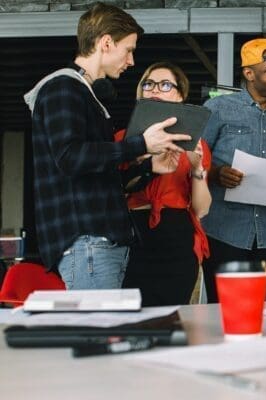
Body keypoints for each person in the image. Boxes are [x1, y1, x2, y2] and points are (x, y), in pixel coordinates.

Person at [23, 3, 190, 289]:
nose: (131, 60)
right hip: (88, 241)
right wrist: (141, 144)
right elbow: (69, 157)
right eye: (128, 49)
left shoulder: (86, 95)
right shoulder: (63, 87)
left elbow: (96, 177)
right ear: (106, 43)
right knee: (98, 332)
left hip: (97, 242)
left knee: (106, 331)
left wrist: (150, 166)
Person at [201, 38, 266, 303]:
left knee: (265, 314)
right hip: (223, 232)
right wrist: (215, 173)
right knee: (221, 313)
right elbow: (193, 161)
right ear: (249, 74)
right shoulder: (217, 109)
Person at [115, 62, 212, 306]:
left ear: (180, 95)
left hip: (177, 242)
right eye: (148, 84)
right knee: (130, 320)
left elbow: (201, 209)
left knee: (173, 320)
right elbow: (109, 194)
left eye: (165, 85)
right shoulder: (122, 140)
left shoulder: (195, 144)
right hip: (132, 238)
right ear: (140, 93)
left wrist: (197, 168)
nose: (155, 90)